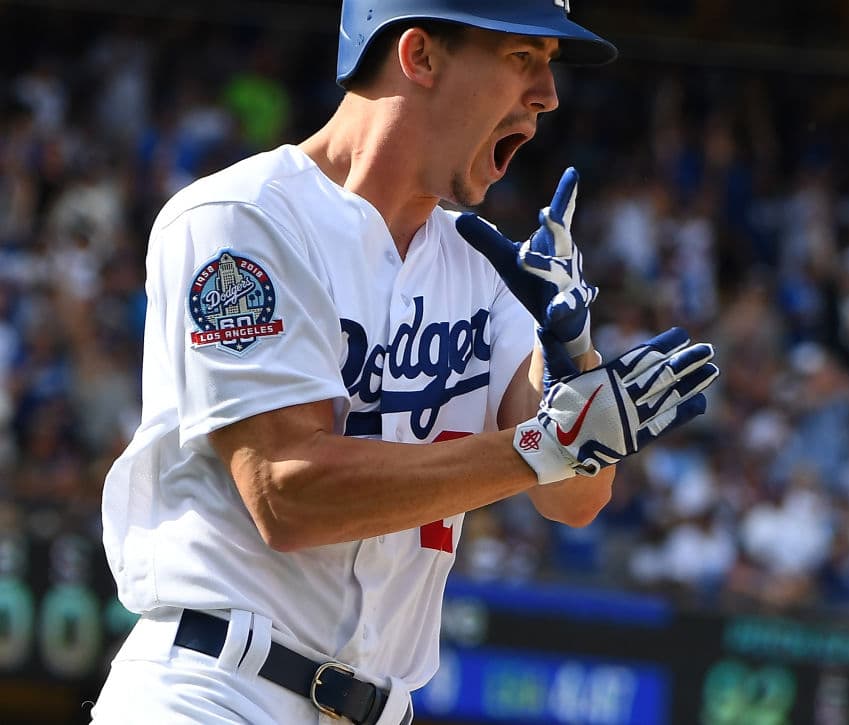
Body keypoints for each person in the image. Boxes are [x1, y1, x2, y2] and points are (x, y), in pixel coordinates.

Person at [91, 2, 719, 723]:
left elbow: (575, 497)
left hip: (381, 705)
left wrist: (571, 353)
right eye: (523, 57)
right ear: (419, 55)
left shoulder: (488, 266)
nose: (548, 94)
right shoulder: (242, 217)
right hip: (215, 687)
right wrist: (547, 445)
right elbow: (286, 492)